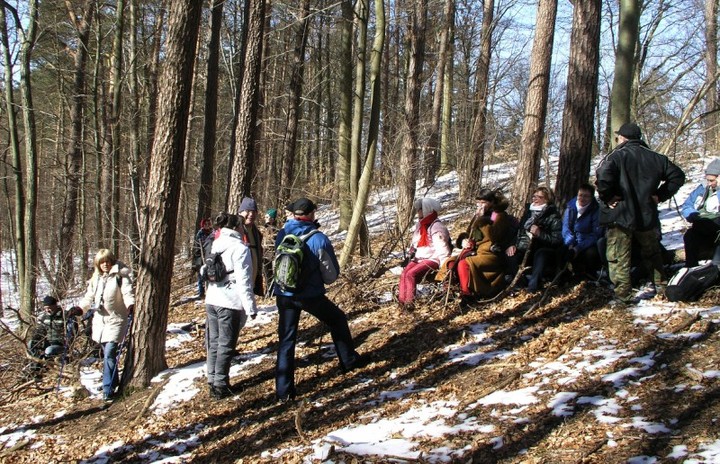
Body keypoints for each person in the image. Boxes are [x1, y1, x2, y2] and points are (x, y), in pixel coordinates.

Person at [273, 197, 369, 402]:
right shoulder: (319, 239)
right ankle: (349, 361)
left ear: (294, 214)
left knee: (286, 340)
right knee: (337, 319)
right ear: (311, 214)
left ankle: (284, 392)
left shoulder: (282, 234)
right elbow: (331, 275)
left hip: (283, 294)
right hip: (309, 296)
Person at [596, 122, 685, 304]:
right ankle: (661, 287)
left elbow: (602, 176)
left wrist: (608, 197)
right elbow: (678, 176)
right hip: (646, 214)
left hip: (620, 214)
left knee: (618, 257)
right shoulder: (656, 157)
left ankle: (623, 296)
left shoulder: (615, 156)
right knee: (652, 253)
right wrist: (660, 195)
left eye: (618, 136)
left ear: (623, 138)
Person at [203, 213, 258, 400]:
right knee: (226, 344)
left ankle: (212, 379)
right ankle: (220, 385)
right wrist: (250, 308)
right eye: (242, 226)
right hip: (229, 301)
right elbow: (244, 280)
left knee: (214, 342)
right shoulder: (240, 248)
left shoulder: (215, 243)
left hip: (212, 299)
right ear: (237, 228)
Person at [78, 249, 134, 403]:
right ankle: (113, 382)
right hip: (100, 322)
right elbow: (89, 297)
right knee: (108, 355)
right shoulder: (96, 278)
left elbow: (128, 292)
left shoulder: (120, 275)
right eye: (102, 262)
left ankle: (107, 389)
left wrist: (131, 306)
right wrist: (79, 309)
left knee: (109, 353)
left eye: (107, 261)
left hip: (117, 320)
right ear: (98, 263)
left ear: (112, 261)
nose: (105, 264)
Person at [455, 189, 514, 298]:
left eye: (483, 202)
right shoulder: (478, 216)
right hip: (475, 251)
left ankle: (466, 294)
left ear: (491, 202)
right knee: (450, 262)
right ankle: (450, 290)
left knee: (464, 263)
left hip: (491, 253)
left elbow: (494, 235)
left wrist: (482, 219)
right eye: (479, 202)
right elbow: (469, 233)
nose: (480, 205)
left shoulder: (497, 215)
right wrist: (463, 240)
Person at [398, 197, 452, 311]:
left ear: (427, 209)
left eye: (420, 209)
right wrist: (411, 254)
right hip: (419, 258)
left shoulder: (436, 227)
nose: (418, 212)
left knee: (410, 274)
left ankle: (409, 304)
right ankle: (401, 303)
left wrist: (444, 266)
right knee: (404, 273)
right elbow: (415, 244)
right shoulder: (420, 226)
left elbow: (442, 248)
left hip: (433, 259)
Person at [506, 186, 563, 292]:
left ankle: (533, 287)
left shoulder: (553, 216)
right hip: (524, 247)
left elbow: (557, 240)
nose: (535, 199)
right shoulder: (528, 213)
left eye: (539, 197)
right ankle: (520, 283)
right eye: (534, 196)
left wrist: (539, 234)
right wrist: (512, 244)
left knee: (540, 254)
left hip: (543, 249)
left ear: (547, 200)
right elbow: (519, 232)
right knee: (510, 254)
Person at [27, 296, 81, 376]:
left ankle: (46, 368)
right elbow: (40, 330)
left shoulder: (65, 315)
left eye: (49, 308)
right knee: (30, 343)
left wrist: (69, 342)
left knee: (49, 350)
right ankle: (34, 368)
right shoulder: (45, 317)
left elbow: (74, 331)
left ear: (55, 305)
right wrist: (35, 338)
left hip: (61, 345)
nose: (47, 310)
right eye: (45, 308)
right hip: (47, 343)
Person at [681, 158, 720, 267]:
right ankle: (691, 267)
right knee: (689, 236)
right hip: (701, 223)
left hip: (717, 226)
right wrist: (692, 215)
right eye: (707, 179)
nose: (709, 183)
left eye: (712, 180)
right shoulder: (702, 188)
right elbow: (687, 205)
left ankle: (717, 266)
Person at [561, 183, 603, 278]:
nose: (582, 198)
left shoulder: (596, 210)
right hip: (572, 241)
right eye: (580, 195)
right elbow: (566, 227)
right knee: (561, 250)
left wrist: (578, 248)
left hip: (587, 242)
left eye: (586, 196)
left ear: (591, 197)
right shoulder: (571, 207)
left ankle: (588, 274)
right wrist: (570, 243)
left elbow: (596, 233)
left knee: (590, 253)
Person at [238, 197, 264, 296]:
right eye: (247, 211)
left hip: (252, 279)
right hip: (238, 280)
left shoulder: (256, 232)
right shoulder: (234, 230)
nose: (251, 214)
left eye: (254, 211)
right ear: (240, 212)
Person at [192, 218, 214, 298]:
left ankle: (209, 291)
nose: (207, 226)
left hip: (210, 256)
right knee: (201, 275)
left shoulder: (212, 232)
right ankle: (201, 292)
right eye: (206, 224)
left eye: (209, 224)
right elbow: (197, 247)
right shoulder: (200, 233)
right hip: (201, 257)